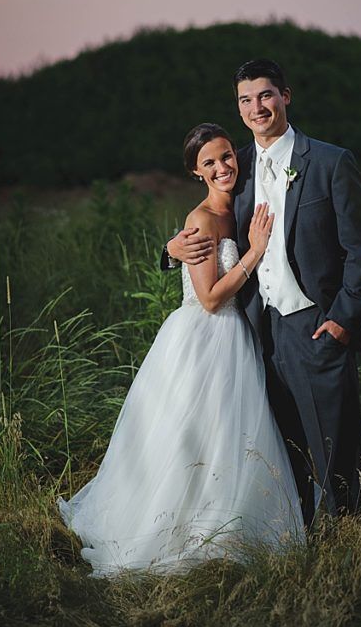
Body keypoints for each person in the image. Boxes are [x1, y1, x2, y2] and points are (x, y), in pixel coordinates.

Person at [58, 123, 303, 576]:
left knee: (231, 437)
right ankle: (173, 528)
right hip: (203, 339)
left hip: (240, 339)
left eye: (226, 156)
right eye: (209, 162)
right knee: (188, 435)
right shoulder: (202, 219)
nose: (222, 167)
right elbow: (210, 297)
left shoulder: (245, 201)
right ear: (195, 171)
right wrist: (253, 252)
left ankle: (227, 524)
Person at [164, 59, 361, 524]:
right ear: (239, 109)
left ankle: (356, 544)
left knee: (337, 448)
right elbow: (206, 230)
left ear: (286, 96)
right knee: (279, 449)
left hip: (316, 323)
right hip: (257, 332)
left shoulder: (329, 162)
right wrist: (168, 250)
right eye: (246, 99)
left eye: (265, 95)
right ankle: (295, 538)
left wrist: (344, 318)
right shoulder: (235, 167)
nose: (257, 107)